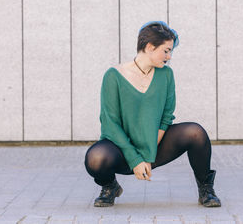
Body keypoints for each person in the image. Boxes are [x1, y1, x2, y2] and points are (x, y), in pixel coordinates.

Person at [84, 21, 221, 207]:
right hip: (120, 149)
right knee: (95, 158)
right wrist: (136, 159)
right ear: (149, 47)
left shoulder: (166, 75)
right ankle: (110, 187)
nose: (169, 56)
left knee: (195, 132)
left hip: (154, 145)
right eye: (166, 50)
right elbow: (110, 124)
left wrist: (147, 156)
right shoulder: (113, 76)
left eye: (170, 51)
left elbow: (166, 117)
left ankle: (206, 189)